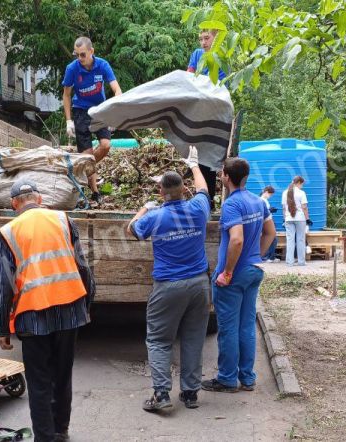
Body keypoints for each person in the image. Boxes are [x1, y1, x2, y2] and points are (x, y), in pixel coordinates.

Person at [0, 180, 95, 442]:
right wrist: (87, 303)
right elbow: (83, 266)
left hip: (32, 314)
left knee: (39, 383)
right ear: (39, 199)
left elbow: (3, 285)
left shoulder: (8, 231)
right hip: (70, 309)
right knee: (63, 375)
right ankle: (61, 430)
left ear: (14, 204)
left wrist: (2, 326)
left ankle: (45, 438)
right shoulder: (63, 220)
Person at [127, 147, 211, 412]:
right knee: (194, 338)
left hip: (169, 287)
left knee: (159, 340)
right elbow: (204, 191)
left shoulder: (155, 216)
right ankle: (190, 394)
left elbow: (132, 230)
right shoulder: (198, 209)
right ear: (184, 189)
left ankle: (162, 394)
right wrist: (195, 166)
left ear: (161, 193)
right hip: (199, 285)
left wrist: (142, 209)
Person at [201, 158, 276, 393]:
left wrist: (228, 272)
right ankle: (247, 377)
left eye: (222, 173)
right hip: (254, 271)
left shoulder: (232, 205)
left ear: (225, 176)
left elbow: (236, 239)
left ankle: (227, 379)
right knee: (246, 325)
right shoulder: (258, 201)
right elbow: (271, 233)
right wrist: (257, 256)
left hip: (233, 276)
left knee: (229, 328)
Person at [62, 36, 123, 204]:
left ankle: (81, 167)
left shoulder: (102, 65)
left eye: (82, 55)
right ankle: (95, 192)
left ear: (91, 52)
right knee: (87, 154)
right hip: (80, 111)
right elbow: (66, 95)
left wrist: (113, 113)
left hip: (100, 110)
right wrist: (69, 121)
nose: (79, 58)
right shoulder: (72, 69)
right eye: (77, 55)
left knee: (105, 145)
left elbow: (117, 89)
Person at [187, 28, 225, 208]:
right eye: (201, 39)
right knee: (196, 157)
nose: (203, 42)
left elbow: (220, 85)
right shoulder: (196, 54)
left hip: (214, 113)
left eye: (207, 38)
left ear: (215, 37)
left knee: (210, 160)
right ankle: (200, 199)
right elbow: (189, 76)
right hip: (197, 112)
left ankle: (209, 200)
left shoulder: (222, 56)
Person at [281, 176, 310, 266]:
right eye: (302, 184)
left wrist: (284, 218)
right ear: (299, 183)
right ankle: (301, 262)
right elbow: (304, 207)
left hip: (288, 219)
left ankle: (290, 262)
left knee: (290, 240)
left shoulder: (285, 193)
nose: (302, 186)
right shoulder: (301, 193)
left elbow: (283, 208)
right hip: (300, 218)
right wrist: (307, 218)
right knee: (300, 239)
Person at [259, 186, 278, 262]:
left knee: (273, 239)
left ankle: (271, 257)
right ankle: (266, 257)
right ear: (266, 192)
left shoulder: (265, 200)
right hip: (265, 222)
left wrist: (270, 210)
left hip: (269, 220)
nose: (270, 196)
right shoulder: (261, 200)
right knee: (271, 239)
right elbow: (262, 212)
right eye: (270, 194)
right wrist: (269, 210)